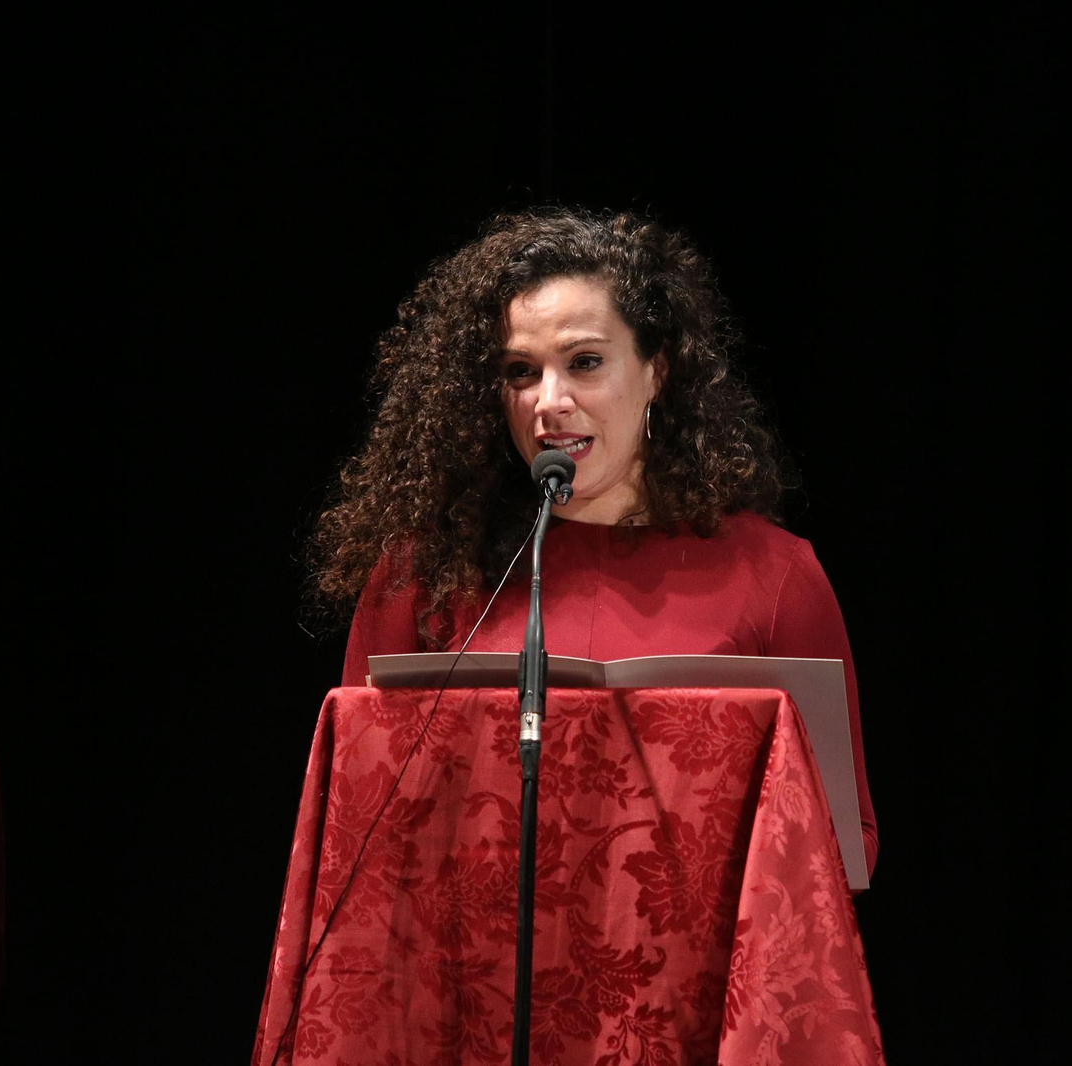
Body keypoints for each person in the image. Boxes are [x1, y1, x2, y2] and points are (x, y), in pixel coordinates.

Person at [311, 207, 877, 879]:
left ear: (657, 371)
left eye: (584, 362)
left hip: (682, 973)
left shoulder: (775, 573)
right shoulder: (423, 568)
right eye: (521, 371)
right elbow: (353, 818)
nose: (548, 400)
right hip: (471, 971)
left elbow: (847, 841)